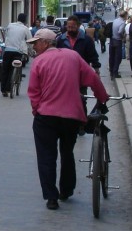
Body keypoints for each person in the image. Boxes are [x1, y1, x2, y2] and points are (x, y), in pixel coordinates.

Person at [26, 28, 110, 210]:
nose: (34, 47)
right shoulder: (73, 57)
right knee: (67, 152)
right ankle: (66, 190)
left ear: (46, 43)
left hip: (46, 116)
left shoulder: (39, 61)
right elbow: (93, 79)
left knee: (46, 156)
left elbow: (34, 92)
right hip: (71, 116)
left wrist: (37, 110)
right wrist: (102, 98)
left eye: (36, 43)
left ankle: (51, 197)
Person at [1, 12, 32, 96]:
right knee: (13, 68)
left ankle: (3, 89)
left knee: (5, 70)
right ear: (25, 20)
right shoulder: (25, 29)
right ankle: (10, 86)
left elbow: (6, 35)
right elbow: (30, 41)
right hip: (18, 52)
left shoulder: (10, 25)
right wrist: (32, 51)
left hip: (7, 50)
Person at [109, 11, 128, 79]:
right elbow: (120, 31)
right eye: (127, 16)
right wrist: (122, 36)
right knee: (118, 58)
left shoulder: (115, 20)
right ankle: (115, 72)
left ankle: (111, 71)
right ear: (125, 16)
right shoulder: (122, 23)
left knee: (112, 57)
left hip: (112, 40)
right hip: (118, 41)